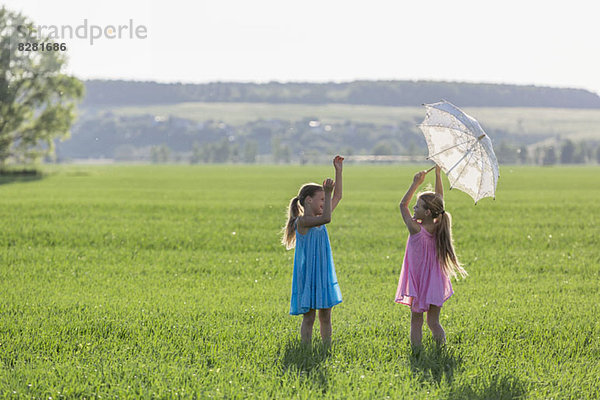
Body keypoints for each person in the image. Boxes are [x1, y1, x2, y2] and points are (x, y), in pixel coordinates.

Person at [395, 165, 467, 347]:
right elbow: (439, 201)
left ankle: (417, 353)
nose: (413, 207)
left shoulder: (415, 229)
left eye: (417, 206)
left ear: (427, 212)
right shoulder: (437, 226)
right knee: (433, 322)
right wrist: (437, 175)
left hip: (419, 281)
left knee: (416, 321)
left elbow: (402, 205)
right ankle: (441, 349)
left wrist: (415, 184)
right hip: (435, 281)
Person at [281, 155, 344, 345]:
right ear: (308, 201)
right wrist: (327, 189)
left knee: (326, 315)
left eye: (326, 199)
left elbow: (338, 196)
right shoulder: (303, 222)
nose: (325, 203)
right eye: (322, 199)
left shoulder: (320, 216)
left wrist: (338, 172)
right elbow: (327, 219)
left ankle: (326, 347)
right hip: (308, 274)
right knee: (309, 317)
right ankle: (305, 348)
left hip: (322, 272)